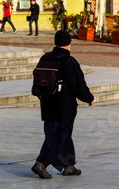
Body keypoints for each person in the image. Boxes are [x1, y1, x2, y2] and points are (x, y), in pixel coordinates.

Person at [32, 30, 94, 179]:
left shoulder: (46, 57)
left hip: (47, 103)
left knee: (56, 134)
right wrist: (88, 98)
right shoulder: (69, 61)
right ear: (69, 43)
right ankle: (41, 163)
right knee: (60, 136)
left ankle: (68, 166)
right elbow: (78, 84)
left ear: (55, 42)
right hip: (64, 106)